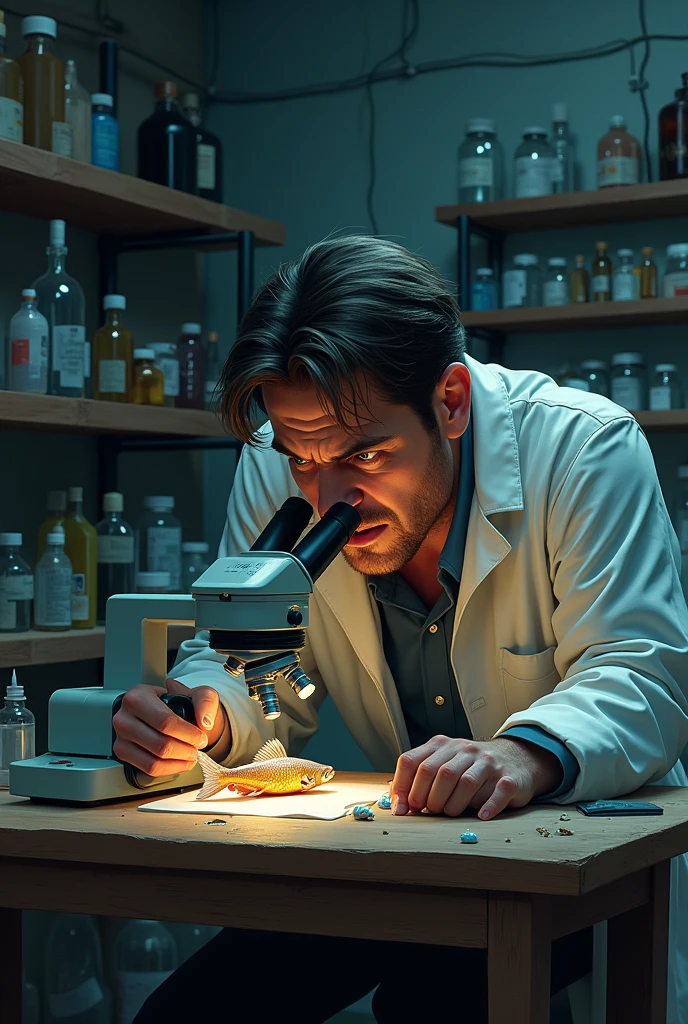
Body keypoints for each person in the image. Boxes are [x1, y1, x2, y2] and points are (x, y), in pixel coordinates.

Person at [116, 236, 688, 1024]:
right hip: (414, 856)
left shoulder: (584, 448)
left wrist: (521, 753)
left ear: (450, 401)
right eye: (303, 461)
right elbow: (246, 662)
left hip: (572, 853)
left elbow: (643, 674)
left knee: (433, 1005)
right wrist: (204, 719)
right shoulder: (284, 461)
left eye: (367, 455)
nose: (331, 500)